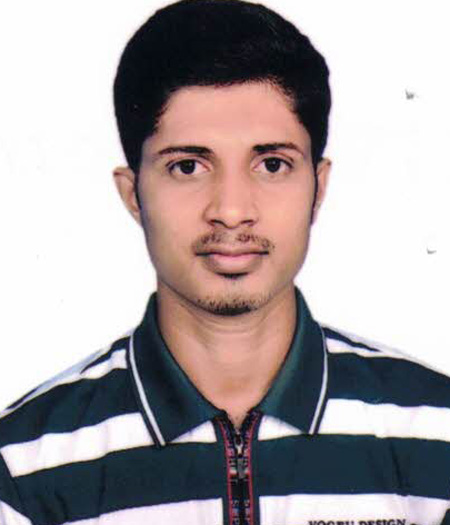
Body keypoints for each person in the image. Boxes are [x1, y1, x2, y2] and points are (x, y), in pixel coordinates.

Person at [1, 0, 450, 524]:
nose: (232, 211)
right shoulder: (23, 469)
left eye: (272, 164)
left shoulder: (437, 438)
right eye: (187, 166)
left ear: (318, 187)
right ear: (133, 194)